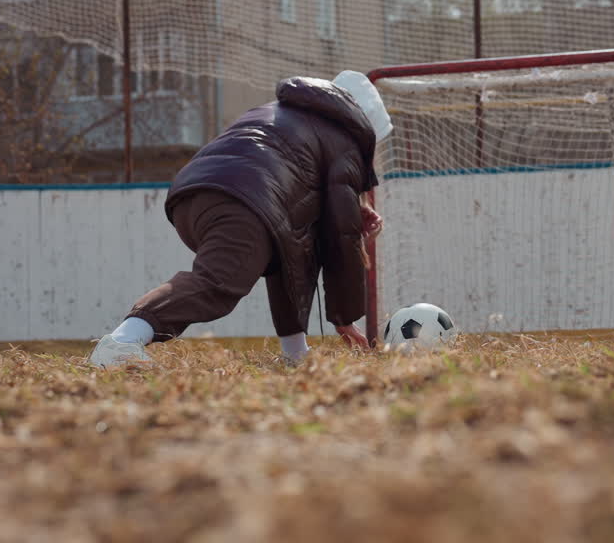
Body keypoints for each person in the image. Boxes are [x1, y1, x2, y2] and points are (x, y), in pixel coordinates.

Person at [88, 71, 392, 367]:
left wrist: (351, 211)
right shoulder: (343, 141)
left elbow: (296, 250)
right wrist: (344, 318)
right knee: (218, 282)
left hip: (192, 197)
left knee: (283, 253)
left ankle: (296, 354)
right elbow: (342, 237)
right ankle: (122, 342)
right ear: (363, 124)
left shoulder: (282, 112)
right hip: (244, 200)